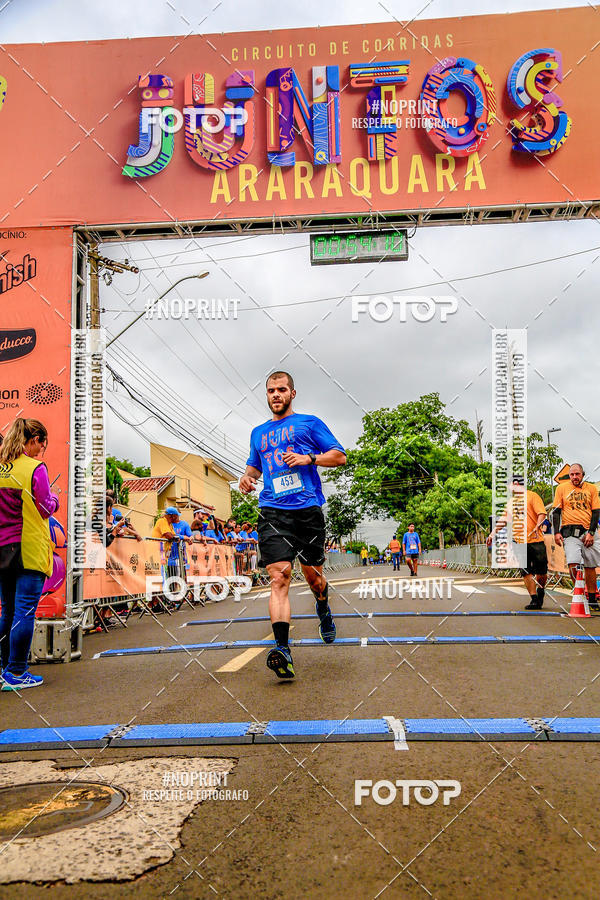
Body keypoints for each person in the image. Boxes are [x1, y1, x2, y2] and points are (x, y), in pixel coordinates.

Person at [239, 371, 346, 679]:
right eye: (271, 390)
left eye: (281, 389)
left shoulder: (309, 423)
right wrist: (247, 480)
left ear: (292, 393)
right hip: (273, 511)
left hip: (307, 509)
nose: (276, 394)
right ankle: (283, 650)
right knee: (279, 578)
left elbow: (339, 457)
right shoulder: (258, 433)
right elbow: (253, 469)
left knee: (313, 578)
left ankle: (323, 606)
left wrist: (308, 459)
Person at [0, 418, 59, 690]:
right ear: (33, 439)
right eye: (42, 445)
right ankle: (16, 671)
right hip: (28, 548)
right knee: (24, 612)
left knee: (8, 612)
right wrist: (55, 498)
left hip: (2, 550)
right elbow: (46, 507)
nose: (41, 452)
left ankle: (4, 670)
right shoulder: (35, 468)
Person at [486, 477, 548, 609]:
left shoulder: (532, 496)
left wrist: (537, 526)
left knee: (541, 571)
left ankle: (541, 590)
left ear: (516, 484)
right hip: (519, 541)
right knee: (525, 571)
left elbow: (542, 513)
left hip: (536, 541)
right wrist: (492, 534)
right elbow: (503, 520)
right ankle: (534, 599)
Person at [552, 463, 600, 611]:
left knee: (590, 566)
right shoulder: (561, 488)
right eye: (572, 474)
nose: (574, 477)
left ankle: (592, 600)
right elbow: (556, 512)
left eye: (577, 474)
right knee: (573, 563)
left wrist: (591, 533)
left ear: (582, 474)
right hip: (569, 532)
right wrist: (556, 532)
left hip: (587, 532)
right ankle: (580, 594)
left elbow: (596, 511)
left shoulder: (591, 488)